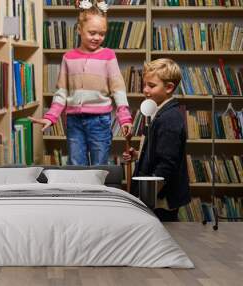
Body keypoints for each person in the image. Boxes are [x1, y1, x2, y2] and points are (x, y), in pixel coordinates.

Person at [29, 0, 133, 165]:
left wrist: (125, 118)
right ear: (79, 29)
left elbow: (118, 89)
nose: (97, 38)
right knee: (76, 165)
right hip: (74, 121)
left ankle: (97, 191)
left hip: (100, 120)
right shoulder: (68, 57)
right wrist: (51, 116)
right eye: (92, 33)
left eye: (102, 33)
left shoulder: (108, 56)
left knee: (99, 166)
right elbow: (61, 91)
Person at [123, 58, 191, 222]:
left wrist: (147, 198)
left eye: (151, 86)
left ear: (169, 88)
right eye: (144, 84)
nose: (145, 90)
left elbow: (166, 164)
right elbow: (158, 150)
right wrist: (138, 155)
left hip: (160, 200)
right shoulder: (158, 112)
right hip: (155, 196)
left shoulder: (170, 119)